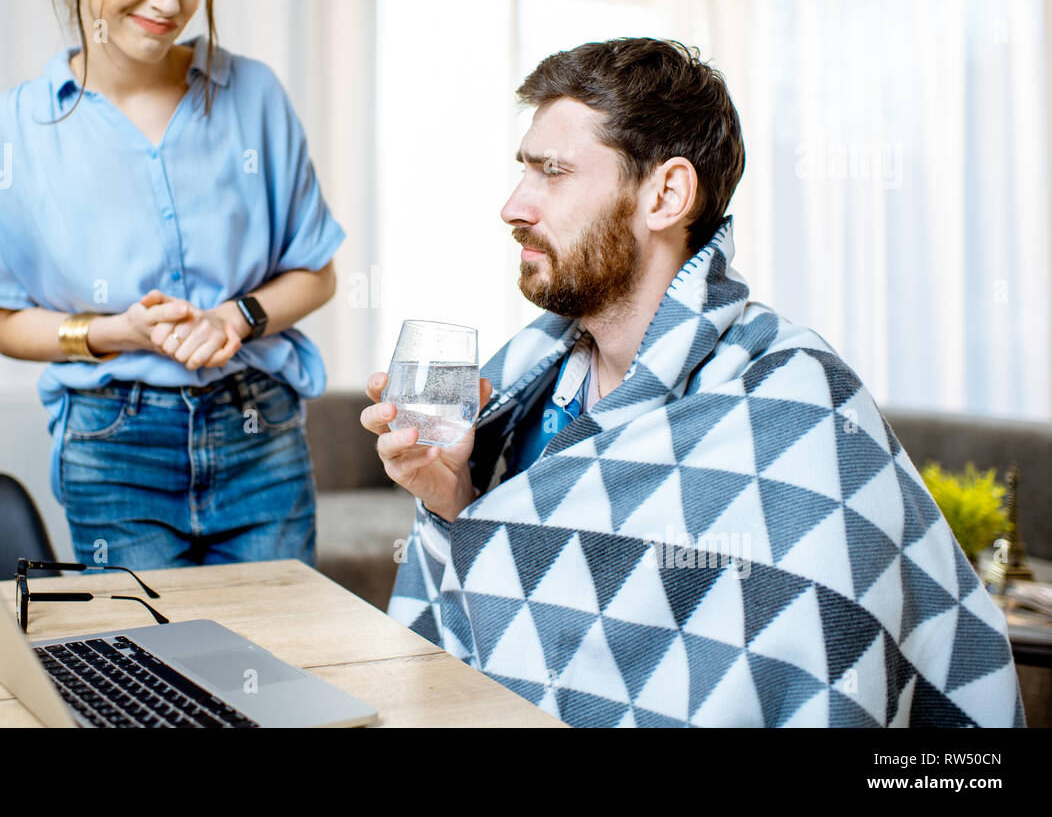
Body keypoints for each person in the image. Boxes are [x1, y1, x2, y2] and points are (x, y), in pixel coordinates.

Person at [361, 38, 1023, 728]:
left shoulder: (797, 405)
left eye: (551, 173)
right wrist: (452, 504)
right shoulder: (517, 387)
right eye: (523, 171)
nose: (513, 206)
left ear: (667, 193)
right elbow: (482, 661)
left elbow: (843, 666)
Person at [0, 0, 343, 572]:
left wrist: (235, 318)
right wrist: (117, 332)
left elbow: (315, 274)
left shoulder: (252, 94)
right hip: (112, 444)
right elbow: (7, 324)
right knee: (143, 672)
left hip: (259, 428)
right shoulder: (8, 131)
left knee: (280, 664)